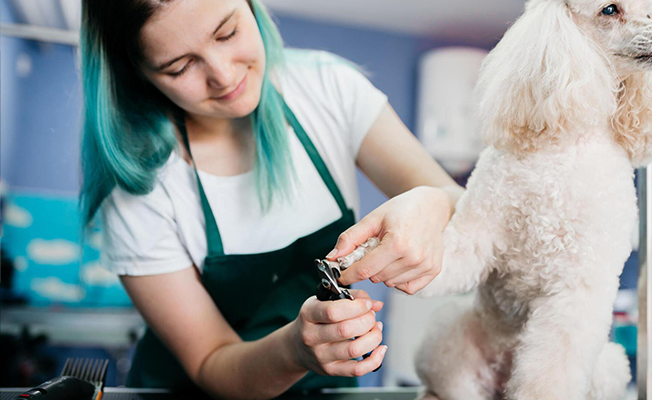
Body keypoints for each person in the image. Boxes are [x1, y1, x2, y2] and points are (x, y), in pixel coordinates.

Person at [79, 0, 464, 398]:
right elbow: (212, 362)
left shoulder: (328, 89)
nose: (223, 75)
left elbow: (460, 203)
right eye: (180, 67)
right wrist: (295, 349)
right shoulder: (138, 187)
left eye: (227, 32)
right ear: (138, 74)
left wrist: (432, 203)